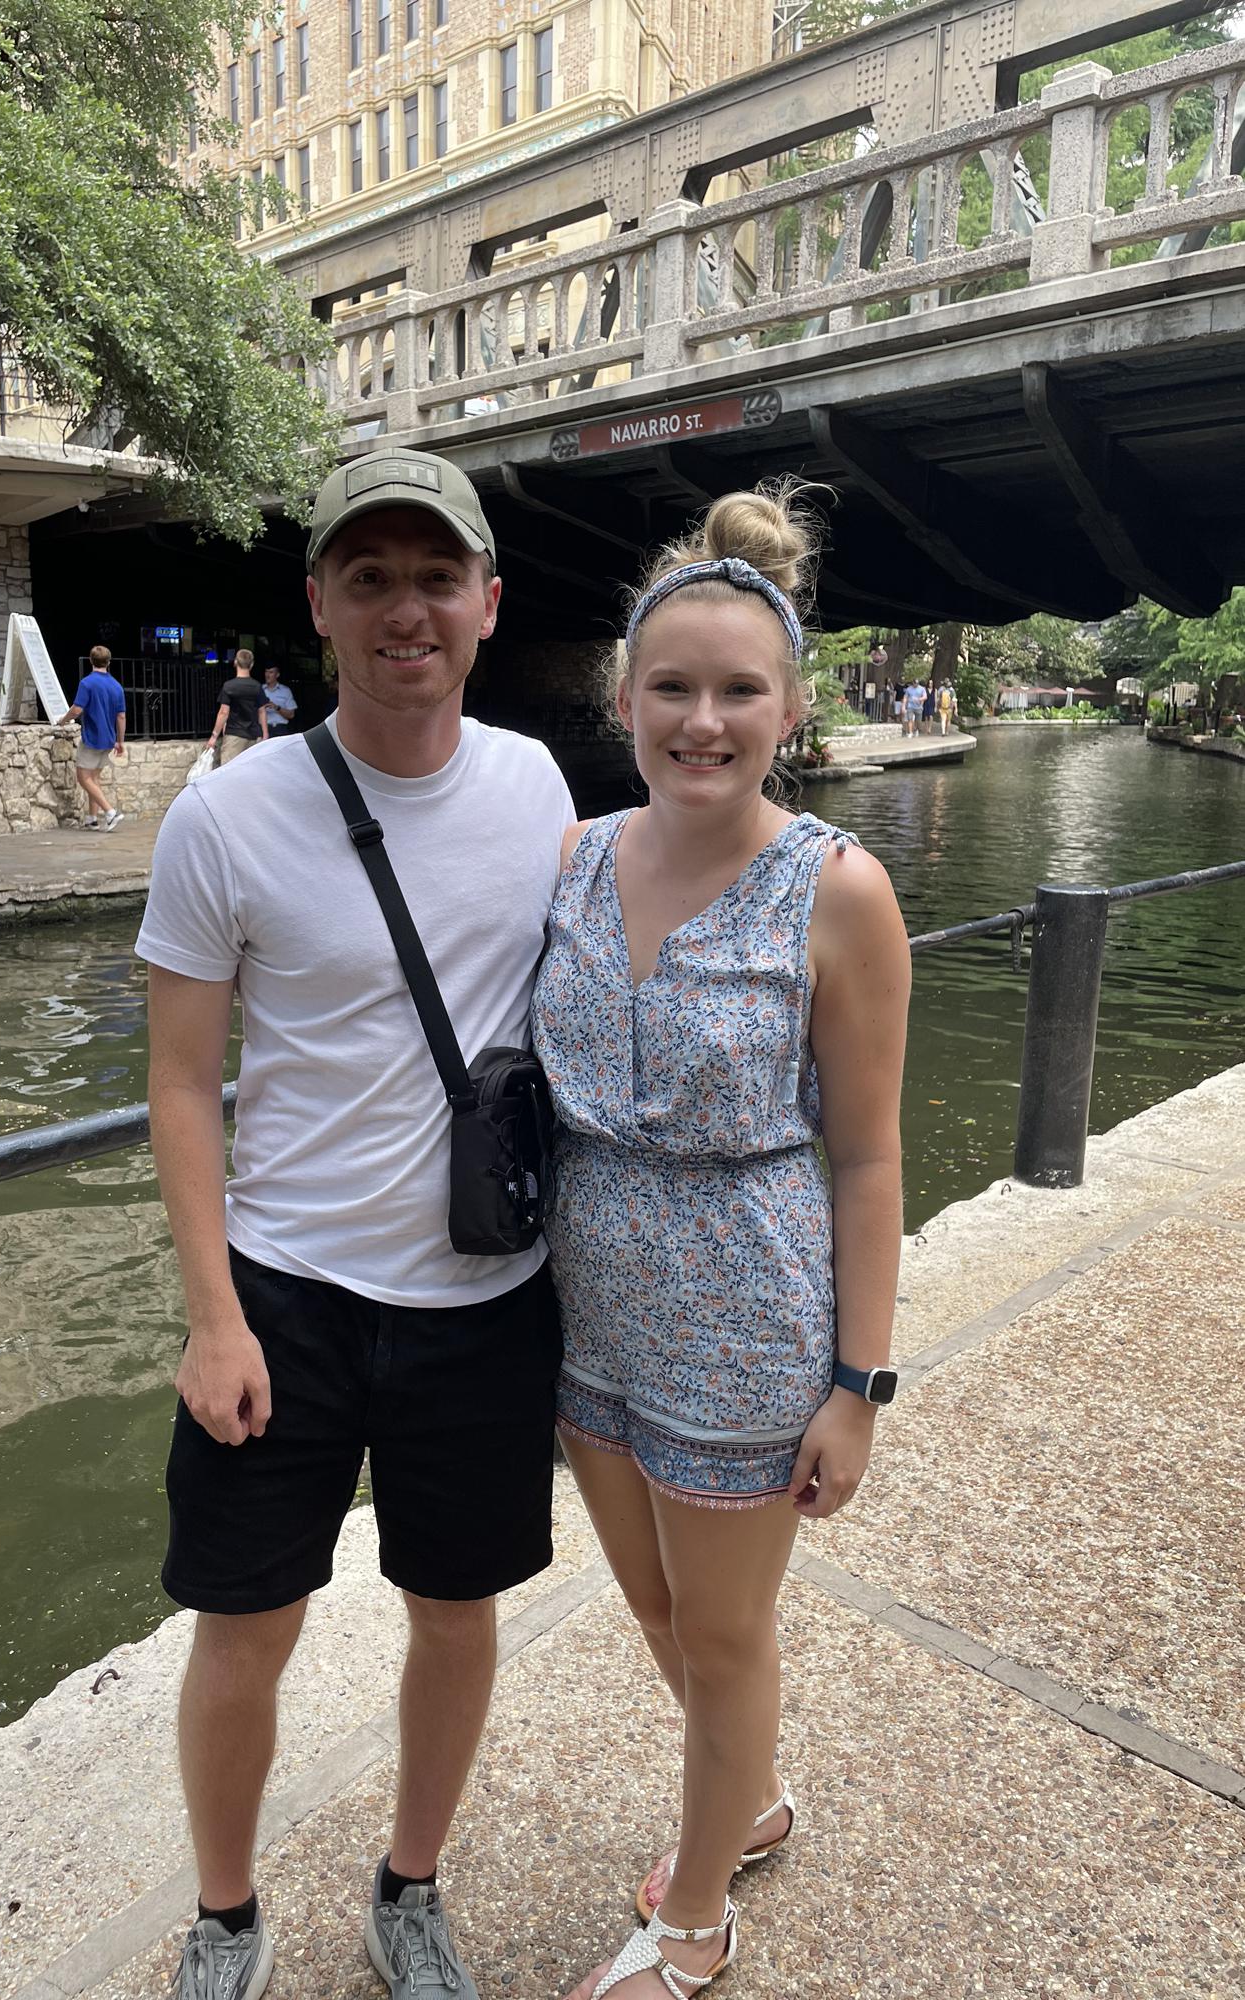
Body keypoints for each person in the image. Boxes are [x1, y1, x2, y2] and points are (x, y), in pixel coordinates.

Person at [135, 448, 575, 2000]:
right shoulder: (227, 822)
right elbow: (184, 1086)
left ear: (489, 605)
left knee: (455, 1616)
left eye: (436, 577)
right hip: (288, 1292)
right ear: (318, 604)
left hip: (487, 1295)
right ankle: (226, 1912)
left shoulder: (535, 786)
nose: (408, 610)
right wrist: (211, 1315)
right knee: (244, 1624)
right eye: (371, 578)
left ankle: (411, 1884)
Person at [532, 488, 910, 2000]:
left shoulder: (839, 890)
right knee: (649, 1603)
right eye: (672, 689)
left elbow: (872, 1153)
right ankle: (743, 1798)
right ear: (620, 698)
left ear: (792, 708)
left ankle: (699, 1907)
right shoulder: (570, 856)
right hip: (589, 1304)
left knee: (730, 1630)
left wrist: (859, 1383)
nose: (704, 720)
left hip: (746, 1310)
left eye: (738, 690)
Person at [60, 645, 125, 830]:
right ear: (109, 662)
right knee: (94, 778)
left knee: (83, 778)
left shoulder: (87, 683)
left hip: (91, 738)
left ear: (91, 661)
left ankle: (110, 812)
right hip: (109, 740)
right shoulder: (116, 686)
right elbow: (121, 716)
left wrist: (63, 721)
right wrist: (120, 741)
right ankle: (92, 819)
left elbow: (77, 709)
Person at [207, 649, 269, 763]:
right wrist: (265, 735)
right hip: (254, 735)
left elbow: (223, 712)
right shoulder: (257, 686)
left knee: (229, 772)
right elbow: (262, 711)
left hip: (234, 735)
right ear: (251, 664)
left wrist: (214, 736)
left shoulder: (229, 686)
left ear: (235, 662)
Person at [260, 664, 298, 735]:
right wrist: (261, 707)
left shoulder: (286, 691)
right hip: (262, 729)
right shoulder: (259, 690)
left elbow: (291, 715)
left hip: (281, 729)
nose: (267, 675)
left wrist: (277, 707)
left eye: (271, 672)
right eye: (266, 672)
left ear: (277, 675)